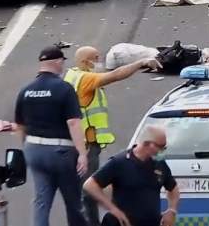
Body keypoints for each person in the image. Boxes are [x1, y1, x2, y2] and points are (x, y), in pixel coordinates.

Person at [63, 46, 161, 225]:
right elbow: (115, 75)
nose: (100, 61)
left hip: (82, 143)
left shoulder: (73, 75)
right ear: (85, 62)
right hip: (86, 145)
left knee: (90, 189)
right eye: (96, 58)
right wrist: (140, 62)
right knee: (89, 191)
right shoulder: (85, 78)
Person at [14, 45, 88, 226]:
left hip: (34, 150)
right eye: (62, 61)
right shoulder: (64, 88)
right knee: (73, 201)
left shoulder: (26, 90)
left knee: (41, 200)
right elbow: (73, 122)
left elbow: (20, 125)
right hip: (60, 151)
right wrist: (82, 153)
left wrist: (26, 149)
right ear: (57, 62)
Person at [83, 125, 181, 226]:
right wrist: (112, 209)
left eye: (164, 147)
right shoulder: (120, 162)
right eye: (160, 147)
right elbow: (90, 185)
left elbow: (173, 189)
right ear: (147, 144)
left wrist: (172, 210)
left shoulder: (159, 165)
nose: (162, 151)